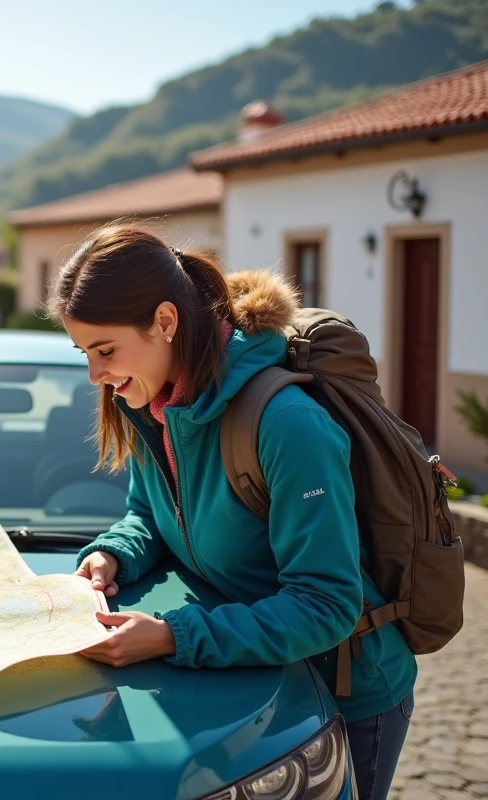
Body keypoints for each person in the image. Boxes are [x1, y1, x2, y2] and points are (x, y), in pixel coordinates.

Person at [47, 225, 417, 800]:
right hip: (240, 687)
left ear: (165, 322)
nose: (94, 375)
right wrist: (113, 553)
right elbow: (150, 514)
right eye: (84, 353)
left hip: (339, 698)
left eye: (105, 350)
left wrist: (173, 636)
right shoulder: (155, 400)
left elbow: (326, 604)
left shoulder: (287, 425)